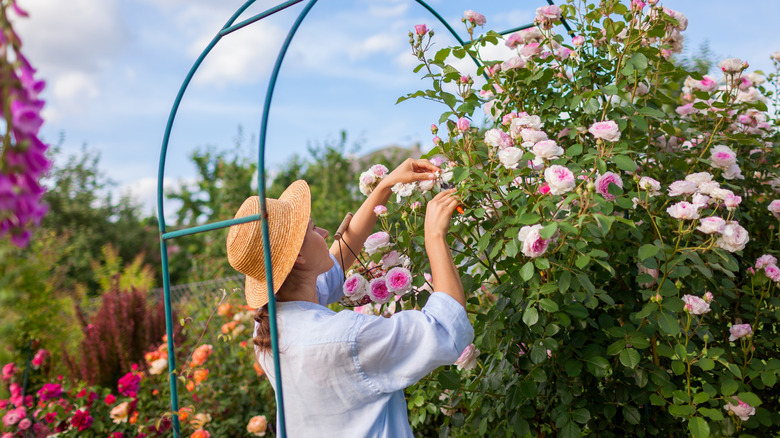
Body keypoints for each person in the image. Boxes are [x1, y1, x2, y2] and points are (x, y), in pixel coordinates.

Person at [226, 158, 474, 437]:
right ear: (298, 258)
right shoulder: (347, 338)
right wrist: (435, 236)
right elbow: (446, 328)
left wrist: (385, 186)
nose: (323, 233)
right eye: (312, 229)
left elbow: (335, 261)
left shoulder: (269, 326)